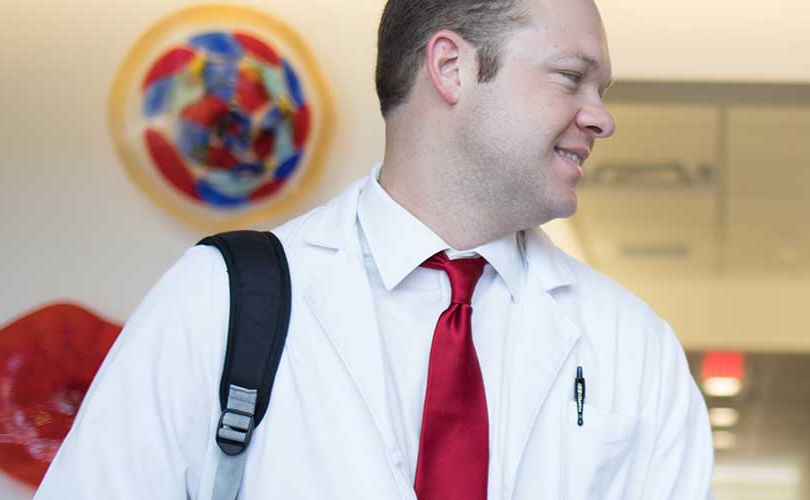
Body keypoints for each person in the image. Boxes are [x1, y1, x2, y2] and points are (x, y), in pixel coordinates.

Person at [36, 1, 713, 498]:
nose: (602, 117)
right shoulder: (225, 298)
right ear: (451, 67)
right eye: (571, 78)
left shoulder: (634, 349)